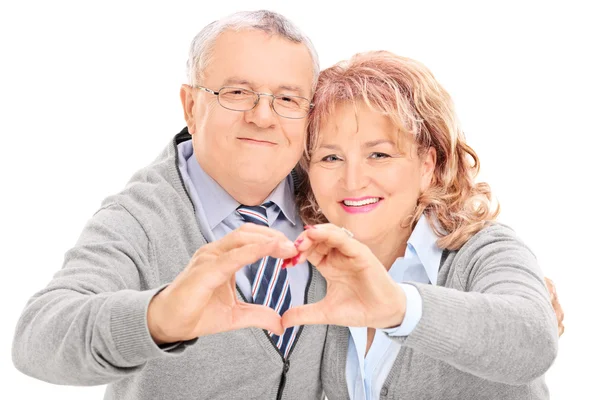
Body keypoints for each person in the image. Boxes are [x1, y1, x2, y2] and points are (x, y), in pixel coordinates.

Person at [11, 10, 563, 400]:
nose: (262, 116)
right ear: (190, 104)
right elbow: (38, 340)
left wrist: (452, 308)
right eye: (235, 92)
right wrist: (160, 318)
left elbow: (521, 333)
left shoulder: (332, 213)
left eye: (287, 98)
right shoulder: (143, 218)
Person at [283, 51, 559, 399]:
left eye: (379, 154)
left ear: (428, 165)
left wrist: (399, 307)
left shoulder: (482, 251)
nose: (352, 181)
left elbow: (534, 338)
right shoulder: (317, 269)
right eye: (331, 157)